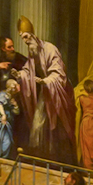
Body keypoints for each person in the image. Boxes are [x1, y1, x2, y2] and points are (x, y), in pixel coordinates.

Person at [14, 16, 77, 164]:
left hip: (58, 93)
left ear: (33, 35)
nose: (26, 41)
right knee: (38, 124)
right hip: (46, 92)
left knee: (57, 127)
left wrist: (45, 81)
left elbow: (59, 72)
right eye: (23, 39)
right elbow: (28, 71)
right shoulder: (33, 54)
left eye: (26, 37)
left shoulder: (50, 48)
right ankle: (41, 156)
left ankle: (56, 158)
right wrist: (20, 75)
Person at [74, 78, 93, 172]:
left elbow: (76, 92)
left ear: (86, 90)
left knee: (87, 148)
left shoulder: (82, 98)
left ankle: (89, 170)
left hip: (87, 124)